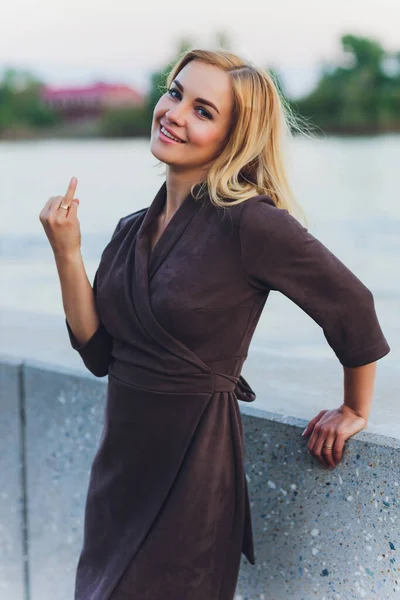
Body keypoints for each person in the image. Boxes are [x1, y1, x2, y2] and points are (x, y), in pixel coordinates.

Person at [39, 49, 390, 600]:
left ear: (235, 136)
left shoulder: (252, 223)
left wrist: (355, 409)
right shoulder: (133, 229)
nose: (175, 114)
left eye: (204, 111)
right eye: (175, 93)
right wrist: (67, 252)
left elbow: (352, 304)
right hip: (120, 476)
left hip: (194, 471)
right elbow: (99, 353)